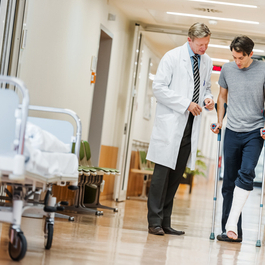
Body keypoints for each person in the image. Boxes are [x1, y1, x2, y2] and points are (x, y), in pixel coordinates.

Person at [146, 22, 215, 236]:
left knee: (176, 177)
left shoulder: (207, 62)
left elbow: (207, 88)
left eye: (206, 44)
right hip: (171, 124)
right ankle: (154, 222)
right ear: (189, 40)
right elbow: (158, 88)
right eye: (201, 44)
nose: (204, 48)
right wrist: (186, 103)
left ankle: (166, 221)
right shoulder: (172, 57)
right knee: (161, 176)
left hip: (189, 126)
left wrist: (208, 99)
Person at [211, 35, 265, 242]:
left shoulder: (262, 69)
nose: (237, 62)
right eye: (234, 57)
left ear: (251, 54)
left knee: (247, 172)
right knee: (228, 183)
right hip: (232, 130)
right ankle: (231, 231)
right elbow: (222, 96)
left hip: (255, 130)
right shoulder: (227, 69)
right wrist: (219, 121)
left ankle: (231, 223)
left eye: (241, 58)